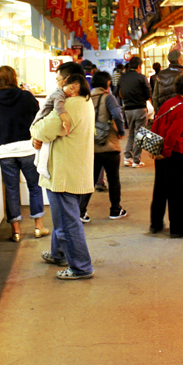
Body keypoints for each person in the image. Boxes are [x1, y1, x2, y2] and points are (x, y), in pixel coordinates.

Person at [31, 74, 96, 280]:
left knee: (67, 222)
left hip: (64, 173)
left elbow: (42, 129)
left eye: (61, 80)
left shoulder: (70, 105)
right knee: (64, 218)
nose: (59, 84)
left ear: (74, 86)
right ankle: (59, 254)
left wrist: (35, 133)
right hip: (73, 169)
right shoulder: (85, 102)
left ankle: (81, 267)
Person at [0, 66, 47, 243]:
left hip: (5, 153)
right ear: (13, 78)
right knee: (34, 186)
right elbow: (38, 118)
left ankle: (16, 231)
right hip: (27, 149)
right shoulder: (26, 97)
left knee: (11, 190)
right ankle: (38, 227)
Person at [149, 73, 183, 238]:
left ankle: (155, 223)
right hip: (174, 152)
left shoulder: (169, 102)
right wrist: (165, 152)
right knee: (177, 192)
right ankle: (177, 228)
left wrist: (155, 149)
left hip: (162, 151)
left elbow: (156, 122)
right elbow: (173, 133)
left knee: (160, 189)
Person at [79, 71, 127, 223]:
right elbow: (117, 115)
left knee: (90, 181)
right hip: (109, 146)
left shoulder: (84, 99)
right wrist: (120, 131)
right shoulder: (108, 97)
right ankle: (115, 209)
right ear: (107, 83)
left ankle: (81, 211)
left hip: (90, 148)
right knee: (113, 180)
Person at [31, 73, 84, 179]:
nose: (72, 92)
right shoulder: (58, 94)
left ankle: (39, 163)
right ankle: (41, 165)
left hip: (42, 121)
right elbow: (59, 107)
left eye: (76, 92)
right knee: (45, 142)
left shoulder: (64, 95)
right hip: (41, 119)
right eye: (71, 88)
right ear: (66, 82)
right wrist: (65, 121)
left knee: (44, 142)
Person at [118, 56, 151, 168]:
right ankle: (136, 160)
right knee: (140, 134)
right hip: (140, 108)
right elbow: (148, 94)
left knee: (131, 133)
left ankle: (127, 157)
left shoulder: (122, 77)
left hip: (127, 109)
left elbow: (116, 92)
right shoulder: (141, 77)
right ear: (139, 66)